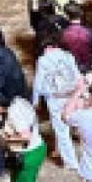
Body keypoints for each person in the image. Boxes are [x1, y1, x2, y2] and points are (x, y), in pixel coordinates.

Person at [31, 27, 81, 171]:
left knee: (62, 131)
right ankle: (63, 152)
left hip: (55, 98)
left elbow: (38, 84)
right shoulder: (68, 56)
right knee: (75, 124)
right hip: (72, 95)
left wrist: (35, 101)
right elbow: (77, 76)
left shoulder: (43, 61)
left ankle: (71, 162)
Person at [61, 3, 92, 73]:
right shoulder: (90, 32)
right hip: (88, 70)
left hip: (69, 71)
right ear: (81, 14)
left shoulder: (62, 34)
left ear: (67, 16)